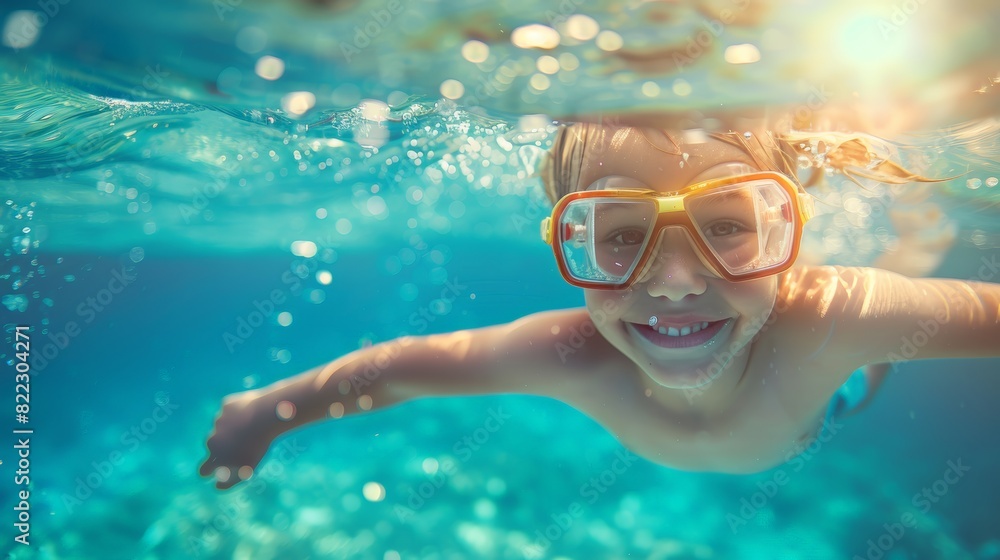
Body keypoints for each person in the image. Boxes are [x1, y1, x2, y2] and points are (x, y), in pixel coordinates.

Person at [199, 122, 1000, 489]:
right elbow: (403, 369)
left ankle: (912, 248)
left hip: (836, 390)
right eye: (618, 236)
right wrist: (267, 410)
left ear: (786, 230)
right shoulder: (568, 353)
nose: (675, 281)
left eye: (728, 226)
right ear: (566, 242)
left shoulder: (837, 319)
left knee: (879, 336)